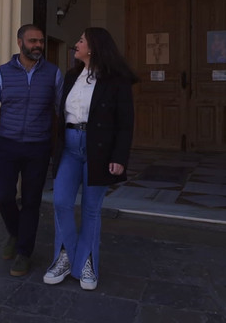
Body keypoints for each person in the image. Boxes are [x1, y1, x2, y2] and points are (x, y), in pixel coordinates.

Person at [42, 27, 136, 290]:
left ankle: (87, 263)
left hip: (99, 151)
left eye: (80, 41)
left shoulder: (117, 81)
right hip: (70, 149)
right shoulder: (71, 77)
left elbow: (125, 124)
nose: (75, 44)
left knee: (91, 210)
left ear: (93, 47)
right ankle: (66, 257)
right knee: (60, 201)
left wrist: (119, 157)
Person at [0, 24, 63, 276]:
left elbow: (61, 109)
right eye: (33, 41)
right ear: (20, 43)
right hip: (7, 144)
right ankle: (15, 233)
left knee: (31, 201)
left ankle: (24, 251)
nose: (38, 45)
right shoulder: (3, 73)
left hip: (38, 146)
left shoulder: (53, 73)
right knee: (3, 195)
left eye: (41, 41)